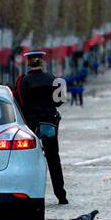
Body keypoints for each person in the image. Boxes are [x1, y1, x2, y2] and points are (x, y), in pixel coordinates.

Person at [14, 50, 68, 205]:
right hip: (49, 123)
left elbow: (19, 103)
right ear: (42, 62)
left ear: (28, 63)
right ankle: (61, 195)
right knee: (53, 158)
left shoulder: (22, 81)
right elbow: (60, 101)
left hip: (30, 126)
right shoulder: (52, 79)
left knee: (29, 160)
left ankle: (29, 194)